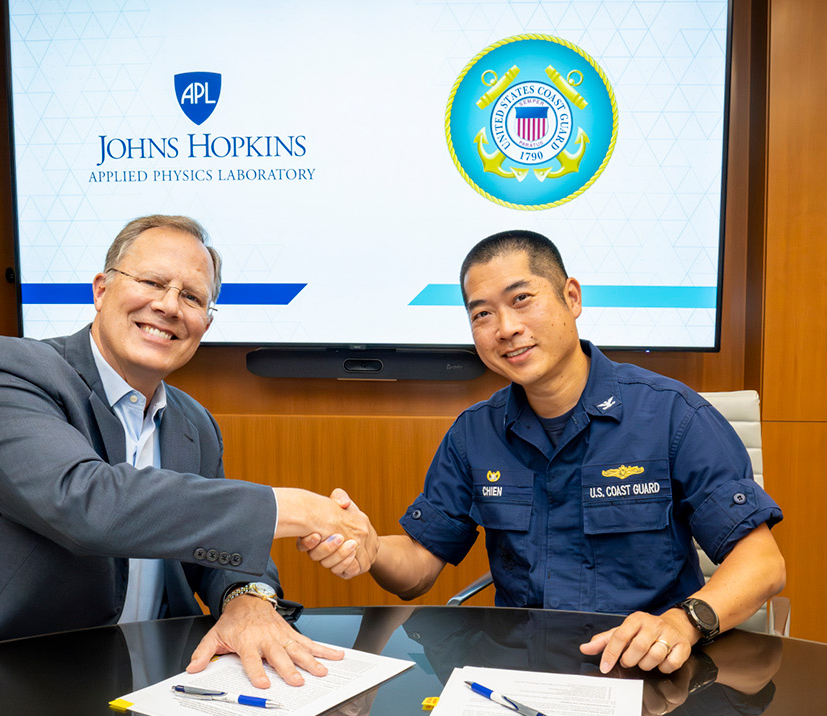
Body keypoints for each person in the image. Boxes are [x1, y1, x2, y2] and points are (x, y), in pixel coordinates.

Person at [0, 214, 376, 688]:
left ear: (205, 323)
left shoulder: (193, 422)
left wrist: (247, 597)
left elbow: (217, 544)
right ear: (101, 289)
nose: (169, 306)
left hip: (137, 682)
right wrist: (301, 509)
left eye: (193, 298)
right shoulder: (3, 371)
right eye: (153, 283)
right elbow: (85, 503)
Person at [302, 230, 785, 674]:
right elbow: (417, 568)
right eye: (482, 314)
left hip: (646, 677)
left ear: (571, 298)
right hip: (517, 679)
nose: (505, 328)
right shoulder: (475, 433)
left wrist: (684, 622)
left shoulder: (672, 415)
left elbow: (762, 563)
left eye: (522, 300)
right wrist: (370, 548)